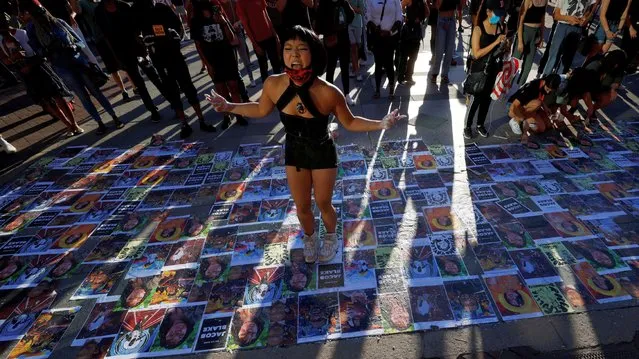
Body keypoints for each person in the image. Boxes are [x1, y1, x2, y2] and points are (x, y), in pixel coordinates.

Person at [206, 26, 404, 263]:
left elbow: (350, 122)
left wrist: (380, 124)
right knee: (301, 205)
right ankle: (310, 237)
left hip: (322, 150)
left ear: (315, 53)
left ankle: (330, 236)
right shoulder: (273, 84)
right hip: (295, 151)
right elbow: (260, 109)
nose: (294, 55)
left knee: (323, 202)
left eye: (301, 49)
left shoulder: (329, 92)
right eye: (288, 49)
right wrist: (229, 106)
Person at [22, 4, 123, 135]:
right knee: (83, 96)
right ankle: (100, 122)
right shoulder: (33, 30)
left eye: (41, 12)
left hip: (77, 61)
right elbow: (37, 51)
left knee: (95, 91)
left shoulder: (59, 23)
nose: (40, 16)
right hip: (62, 67)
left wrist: (73, 47)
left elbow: (79, 41)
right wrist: (49, 50)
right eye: (36, 14)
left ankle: (114, 117)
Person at [138, 0, 217, 138]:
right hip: (160, 61)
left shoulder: (164, 9)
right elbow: (141, 36)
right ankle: (184, 124)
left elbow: (179, 29)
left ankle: (201, 120)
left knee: (188, 88)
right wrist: (149, 40)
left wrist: (173, 36)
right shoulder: (141, 12)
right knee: (173, 92)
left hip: (175, 57)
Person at [0, 16, 82, 136]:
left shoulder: (22, 33)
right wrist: (12, 58)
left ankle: (75, 124)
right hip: (24, 72)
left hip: (38, 67)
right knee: (47, 101)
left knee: (58, 96)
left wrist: (27, 58)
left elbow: (38, 51)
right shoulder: (1, 41)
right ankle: (68, 125)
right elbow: (4, 60)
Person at [191, 0, 248, 129]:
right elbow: (198, 45)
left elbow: (231, 37)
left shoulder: (217, 11)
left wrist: (223, 21)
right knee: (221, 89)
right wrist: (207, 65)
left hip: (227, 56)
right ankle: (226, 116)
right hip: (212, 59)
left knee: (233, 86)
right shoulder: (196, 20)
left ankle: (238, 114)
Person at [463, 0, 506, 139]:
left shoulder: (501, 26)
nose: (499, 17)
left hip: (493, 68)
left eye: (500, 15)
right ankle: (467, 126)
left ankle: (480, 124)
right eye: (496, 14)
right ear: (488, 12)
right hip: (479, 69)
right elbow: (476, 53)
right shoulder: (478, 29)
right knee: (476, 97)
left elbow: (503, 49)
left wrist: (505, 44)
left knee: (487, 99)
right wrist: (496, 42)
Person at [74, 0, 133, 101]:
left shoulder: (102, 1)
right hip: (100, 39)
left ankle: (135, 86)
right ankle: (124, 91)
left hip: (114, 36)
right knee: (112, 67)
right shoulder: (83, 3)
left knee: (124, 62)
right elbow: (77, 11)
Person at [540, 0, 597, 76]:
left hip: (577, 29)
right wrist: (569, 18)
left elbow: (588, 11)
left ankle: (558, 82)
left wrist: (585, 19)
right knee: (553, 56)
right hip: (562, 26)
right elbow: (556, 15)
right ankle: (545, 80)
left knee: (566, 60)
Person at [316, 0, 356, 105]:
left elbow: (351, 16)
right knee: (330, 68)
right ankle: (329, 96)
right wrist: (329, 32)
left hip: (342, 40)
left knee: (344, 68)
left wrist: (343, 23)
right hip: (331, 41)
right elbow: (318, 24)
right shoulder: (324, 4)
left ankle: (346, 94)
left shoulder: (343, 2)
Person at [236, 0, 282, 83]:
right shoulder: (240, 3)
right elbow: (246, 25)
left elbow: (266, 15)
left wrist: (275, 34)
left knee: (276, 64)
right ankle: (267, 90)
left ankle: (279, 87)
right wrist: (255, 44)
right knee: (263, 66)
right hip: (258, 40)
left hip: (270, 36)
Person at [508, 74, 562, 144]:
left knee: (542, 128)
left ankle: (528, 120)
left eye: (550, 90)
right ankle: (516, 121)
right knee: (537, 104)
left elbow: (539, 98)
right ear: (544, 82)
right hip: (513, 108)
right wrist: (524, 128)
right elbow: (514, 106)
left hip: (528, 108)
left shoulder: (542, 84)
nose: (548, 92)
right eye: (547, 89)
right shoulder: (532, 88)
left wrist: (545, 106)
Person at [366, 0, 403, 98]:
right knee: (378, 63)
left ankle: (391, 88)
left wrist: (391, 31)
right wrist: (375, 29)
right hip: (377, 36)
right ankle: (377, 90)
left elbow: (399, 16)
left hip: (390, 37)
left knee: (389, 63)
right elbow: (368, 16)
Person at [218, 0, 257, 87]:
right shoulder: (217, 5)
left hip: (237, 32)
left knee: (245, 58)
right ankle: (239, 83)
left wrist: (238, 23)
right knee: (233, 62)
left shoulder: (234, 3)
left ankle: (251, 79)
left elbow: (242, 17)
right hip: (225, 36)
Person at [581, 49, 627, 122]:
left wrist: (613, 88)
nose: (616, 66)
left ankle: (592, 110)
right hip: (584, 88)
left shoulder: (617, 67)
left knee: (609, 97)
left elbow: (618, 78)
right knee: (575, 102)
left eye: (618, 65)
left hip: (599, 89)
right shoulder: (596, 64)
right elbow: (585, 87)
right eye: (615, 64)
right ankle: (581, 109)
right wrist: (590, 106)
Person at [514, 0, 546, 85]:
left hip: (535, 34)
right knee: (514, 63)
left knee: (528, 66)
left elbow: (543, 19)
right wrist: (520, 41)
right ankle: (506, 88)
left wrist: (542, 37)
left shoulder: (544, 1)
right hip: (525, 32)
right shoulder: (528, 1)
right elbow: (520, 21)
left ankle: (519, 87)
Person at [398, 0, 428, 85]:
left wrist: (420, 18)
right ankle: (401, 77)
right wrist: (404, 16)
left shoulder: (423, 1)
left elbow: (427, 13)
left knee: (413, 57)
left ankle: (408, 76)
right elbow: (400, 6)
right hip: (408, 31)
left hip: (416, 32)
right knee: (404, 56)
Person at [348, 0, 366, 82]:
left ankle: (354, 68)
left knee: (357, 47)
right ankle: (357, 71)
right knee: (353, 47)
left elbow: (362, 10)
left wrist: (349, 6)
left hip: (358, 24)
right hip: (348, 24)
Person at [622, 0, 639, 73]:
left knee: (633, 53)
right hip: (631, 30)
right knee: (626, 53)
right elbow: (626, 14)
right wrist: (630, 28)